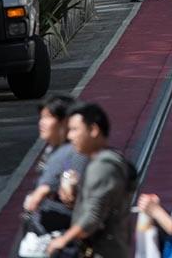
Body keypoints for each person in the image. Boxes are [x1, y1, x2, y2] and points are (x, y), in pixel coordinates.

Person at [46, 103, 134, 258]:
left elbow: (92, 217)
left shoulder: (102, 166)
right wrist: (75, 196)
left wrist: (62, 240)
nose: (69, 136)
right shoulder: (102, 161)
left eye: (74, 130)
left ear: (93, 130)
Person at [22, 95, 88, 234]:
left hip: (63, 234)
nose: (42, 123)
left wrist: (38, 195)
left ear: (65, 122)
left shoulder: (71, 152)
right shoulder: (52, 149)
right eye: (41, 117)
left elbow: (51, 185)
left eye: (48, 117)